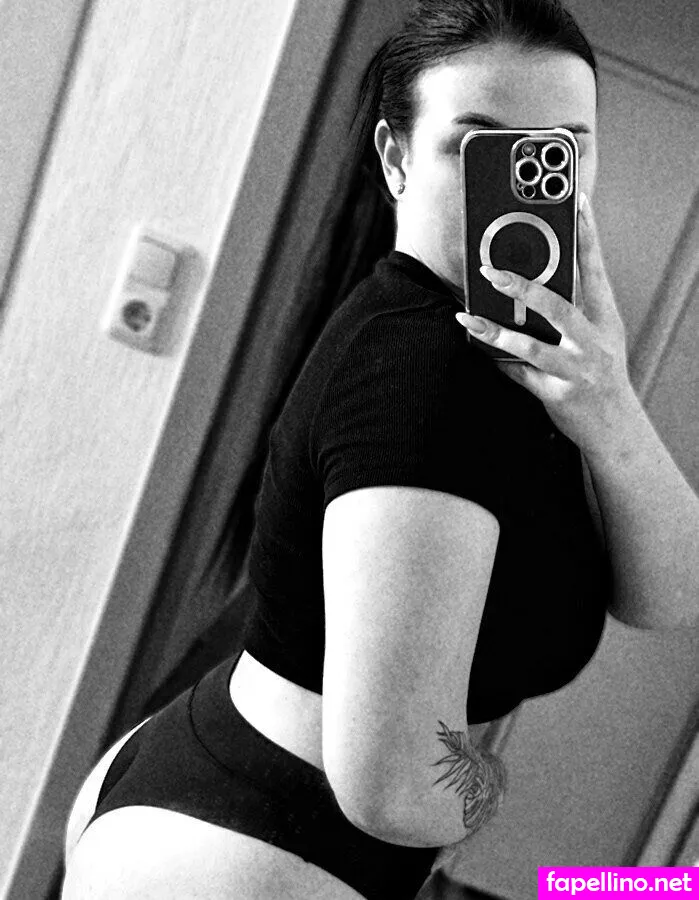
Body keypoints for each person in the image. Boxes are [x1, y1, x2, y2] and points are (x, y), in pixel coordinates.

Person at [62, 1, 699, 898]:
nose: (519, 181)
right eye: (474, 147)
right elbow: (397, 790)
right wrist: (489, 785)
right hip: (248, 855)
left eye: (557, 151)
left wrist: (611, 406)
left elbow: (668, 594)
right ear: (395, 158)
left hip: (233, 808)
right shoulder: (429, 374)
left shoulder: (518, 359)